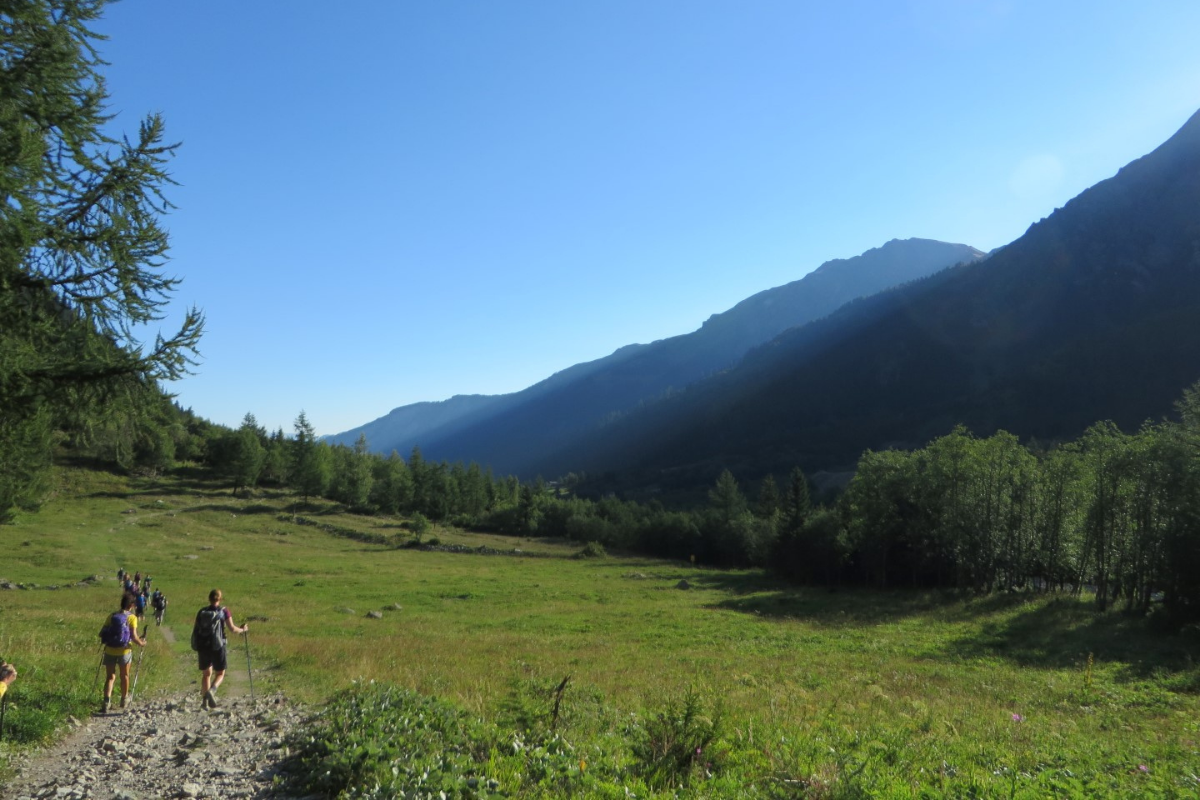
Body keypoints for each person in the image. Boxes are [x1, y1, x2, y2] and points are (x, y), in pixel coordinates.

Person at [192, 589, 248, 709]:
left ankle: (204, 703)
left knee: (206, 674)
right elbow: (232, 628)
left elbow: (196, 628)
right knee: (220, 673)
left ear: (209, 599)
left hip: (203, 645)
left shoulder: (202, 611)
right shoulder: (223, 611)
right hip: (218, 645)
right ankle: (212, 691)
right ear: (220, 599)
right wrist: (243, 630)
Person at [101, 592, 145, 713]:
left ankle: (106, 701)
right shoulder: (132, 618)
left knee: (110, 677)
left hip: (110, 649)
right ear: (131, 605)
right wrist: (142, 643)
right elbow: (134, 637)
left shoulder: (111, 616)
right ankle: (124, 699)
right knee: (124, 675)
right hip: (125, 650)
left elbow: (103, 632)